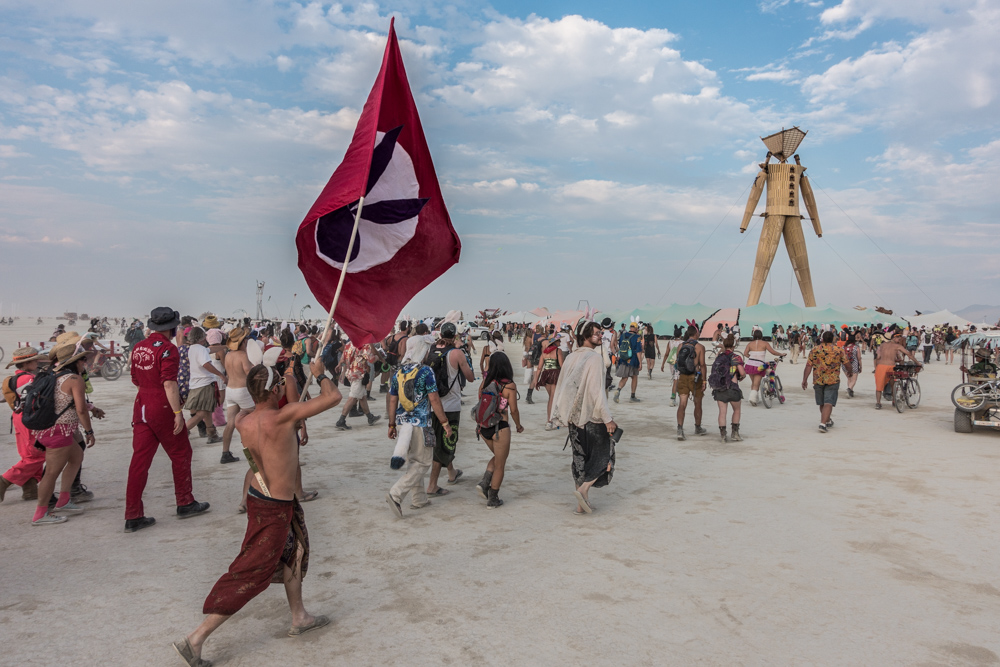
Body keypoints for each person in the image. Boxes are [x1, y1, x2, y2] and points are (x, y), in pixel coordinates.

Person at [173, 359, 341, 667]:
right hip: (275, 507)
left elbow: (256, 450)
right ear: (275, 389)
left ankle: (299, 616)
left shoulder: (242, 421)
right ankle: (195, 639)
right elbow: (333, 397)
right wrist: (319, 374)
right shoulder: (283, 416)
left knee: (295, 552)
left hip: (261, 498)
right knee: (251, 573)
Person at [125, 307, 210, 533]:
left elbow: (134, 377)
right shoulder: (167, 349)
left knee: (139, 462)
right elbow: (169, 383)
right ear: (172, 327)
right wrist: (176, 413)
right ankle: (185, 501)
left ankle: (133, 514)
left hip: (141, 404)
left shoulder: (138, 347)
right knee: (181, 452)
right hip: (161, 405)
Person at [551, 321, 618, 515]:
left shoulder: (571, 357)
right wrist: (608, 419)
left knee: (579, 460)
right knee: (606, 457)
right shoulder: (594, 358)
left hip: (574, 418)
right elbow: (597, 393)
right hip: (592, 417)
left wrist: (559, 414)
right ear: (585, 336)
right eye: (596, 333)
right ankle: (583, 490)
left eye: (600, 333)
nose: (599, 336)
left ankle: (582, 505)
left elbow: (563, 386)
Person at [385, 336, 453, 518]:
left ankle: (419, 499)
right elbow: (434, 399)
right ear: (422, 351)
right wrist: (445, 423)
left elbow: (392, 399)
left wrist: (391, 423)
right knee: (422, 462)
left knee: (414, 461)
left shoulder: (399, 372)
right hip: (421, 423)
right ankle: (396, 494)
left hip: (402, 423)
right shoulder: (426, 371)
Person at [27, 344, 95, 525]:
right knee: (51, 472)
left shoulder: (53, 375)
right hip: (59, 430)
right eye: (83, 359)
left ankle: (63, 500)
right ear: (76, 361)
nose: (85, 363)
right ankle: (40, 514)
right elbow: (81, 409)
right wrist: (89, 431)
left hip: (52, 428)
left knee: (76, 457)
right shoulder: (74, 379)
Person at [426, 323, 476, 496]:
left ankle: (452, 472)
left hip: (432, 403)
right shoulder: (456, 353)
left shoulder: (431, 349)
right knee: (445, 443)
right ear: (455, 336)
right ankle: (432, 485)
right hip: (450, 405)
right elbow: (470, 378)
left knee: (442, 441)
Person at [474, 351, 523, 508]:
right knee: (501, 464)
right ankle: (493, 498)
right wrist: (518, 425)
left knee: (498, 457)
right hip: (500, 427)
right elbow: (514, 410)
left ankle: (485, 482)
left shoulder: (486, 381)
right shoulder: (509, 385)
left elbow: (480, 400)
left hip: (483, 427)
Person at [1, 347, 47, 502]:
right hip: (30, 419)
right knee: (36, 454)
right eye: (35, 360)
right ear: (26, 363)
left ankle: (30, 490)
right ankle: (4, 481)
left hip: (18, 418)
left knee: (27, 454)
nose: (37, 362)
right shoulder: (29, 379)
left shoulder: (14, 378)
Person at [184, 327, 227, 449]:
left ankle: (212, 435)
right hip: (204, 383)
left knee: (207, 410)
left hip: (196, 384)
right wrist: (221, 375)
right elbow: (206, 364)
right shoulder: (201, 349)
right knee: (202, 412)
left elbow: (211, 349)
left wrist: (224, 346)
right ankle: (182, 432)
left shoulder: (193, 348)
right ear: (202, 338)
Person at [801, 330, 848, 431]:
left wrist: (804, 379)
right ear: (833, 339)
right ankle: (822, 424)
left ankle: (827, 420)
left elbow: (809, 365)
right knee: (828, 402)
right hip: (832, 380)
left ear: (822, 339)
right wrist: (850, 372)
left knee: (822, 402)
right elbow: (846, 363)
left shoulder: (815, 350)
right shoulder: (839, 350)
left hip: (818, 379)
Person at [222, 327, 255, 461]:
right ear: (242, 342)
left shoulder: (228, 355)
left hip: (230, 390)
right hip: (243, 391)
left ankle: (225, 453)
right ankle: (254, 453)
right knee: (256, 418)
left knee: (230, 423)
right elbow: (249, 373)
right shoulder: (243, 356)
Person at [335, 340, 382, 430]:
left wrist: (339, 364)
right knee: (352, 398)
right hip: (359, 375)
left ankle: (370, 417)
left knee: (362, 397)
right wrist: (378, 356)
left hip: (351, 373)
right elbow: (371, 359)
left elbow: (343, 358)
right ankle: (341, 420)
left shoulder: (349, 344)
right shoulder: (364, 345)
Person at [709, 335, 745, 442]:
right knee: (737, 410)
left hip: (720, 388)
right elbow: (742, 373)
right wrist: (741, 376)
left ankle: (723, 436)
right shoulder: (736, 357)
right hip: (733, 388)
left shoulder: (719, 357)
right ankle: (735, 433)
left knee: (722, 412)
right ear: (734, 345)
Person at [675, 325, 708, 440]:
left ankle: (680, 429)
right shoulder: (700, 347)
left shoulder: (680, 346)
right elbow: (702, 365)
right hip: (695, 378)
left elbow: (677, 362)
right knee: (697, 403)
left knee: (682, 404)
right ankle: (697, 427)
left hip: (683, 377)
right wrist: (704, 380)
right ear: (695, 334)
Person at [874, 331, 921, 409]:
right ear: (893, 338)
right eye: (898, 338)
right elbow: (908, 354)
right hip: (891, 367)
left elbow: (878, 357)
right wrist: (917, 362)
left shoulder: (882, 345)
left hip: (881, 366)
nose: (899, 339)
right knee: (893, 384)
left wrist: (876, 367)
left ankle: (878, 403)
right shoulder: (897, 346)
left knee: (879, 386)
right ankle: (894, 401)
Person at [743, 329, 786, 406]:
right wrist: (781, 354)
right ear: (761, 335)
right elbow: (773, 352)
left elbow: (745, 353)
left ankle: (756, 398)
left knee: (753, 383)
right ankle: (752, 399)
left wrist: (752, 357)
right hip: (759, 365)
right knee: (757, 383)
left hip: (750, 364)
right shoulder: (765, 343)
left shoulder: (750, 344)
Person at [534, 331, 563, 430]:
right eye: (559, 341)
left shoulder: (544, 352)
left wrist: (536, 381)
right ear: (555, 342)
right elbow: (562, 366)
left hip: (546, 374)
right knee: (553, 398)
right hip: (555, 374)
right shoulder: (558, 351)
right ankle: (550, 421)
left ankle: (550, 420)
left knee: (551, 397)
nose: (560, 342)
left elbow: (539, 368)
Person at [613, 321, 643, 404]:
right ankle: (632, 396)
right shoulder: (637, 337)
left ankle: (618, 390)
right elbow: (638, 351)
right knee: (634, 377)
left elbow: (620, 346)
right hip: (633, 360)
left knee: (624, 377)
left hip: (623, 359)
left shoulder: (623, 335)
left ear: (630, 327)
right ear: (636, 329)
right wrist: (640, 362)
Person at [380, 320, 411, 393]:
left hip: (392, 362)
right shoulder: (405, 339)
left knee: (392, 382)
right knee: (400, 383)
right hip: (399, 362)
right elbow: (402, 353)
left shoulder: (392, 337)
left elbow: (385, 346)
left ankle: (391, 396)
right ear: (407, 328)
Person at [843, 333, 862, 398]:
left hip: (845, 364)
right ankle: (849, 389)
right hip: (854, 364)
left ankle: (850, 391)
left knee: (849, 378)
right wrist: (860, 366)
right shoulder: (856, 347)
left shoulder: (843, 347)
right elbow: (859, 358)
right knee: (854, 379)